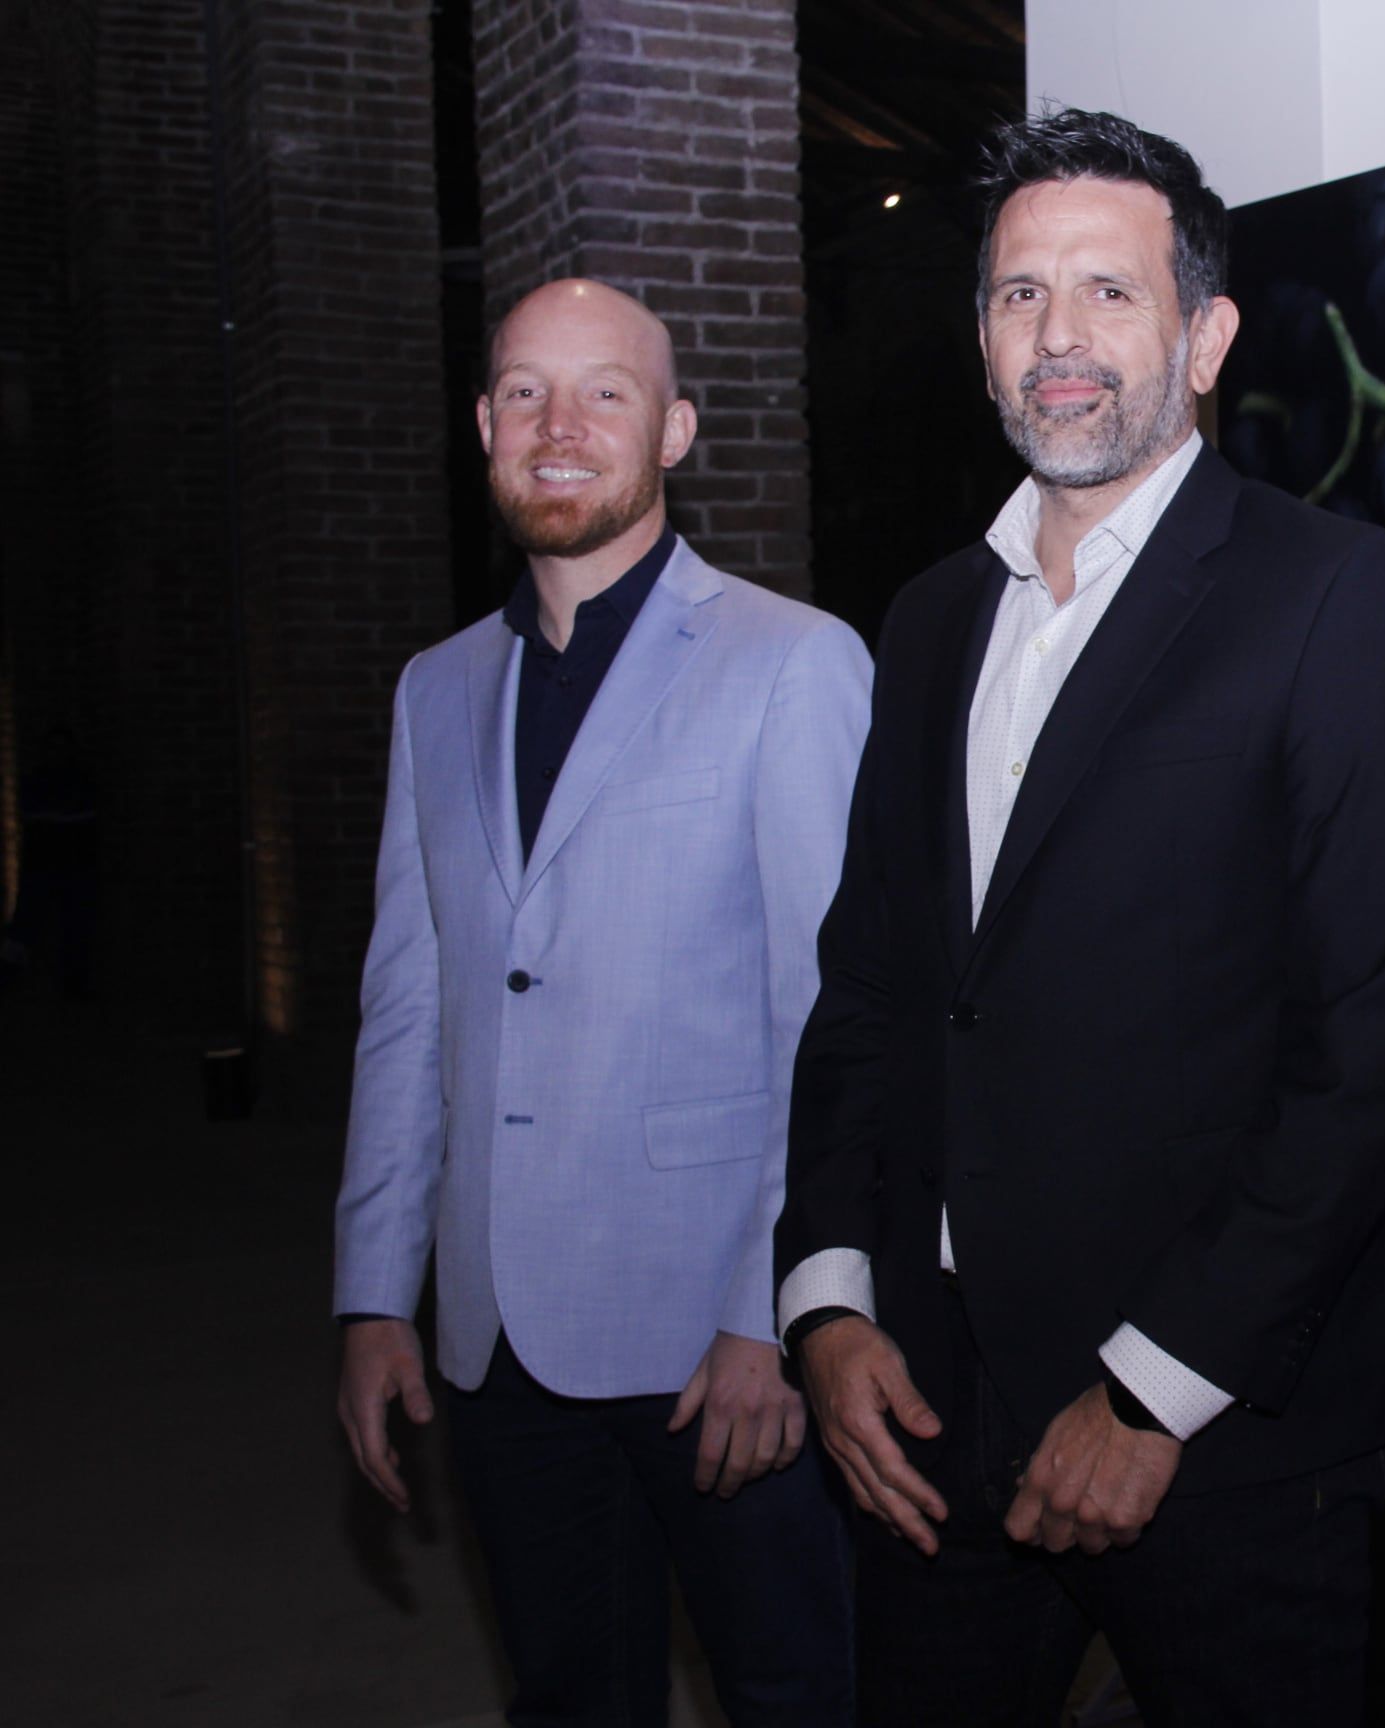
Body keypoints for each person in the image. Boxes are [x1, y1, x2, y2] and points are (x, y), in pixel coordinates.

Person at [774, 109, 1385, 1726]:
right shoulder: (934, 615)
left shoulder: (1333, 599)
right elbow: (872, 988)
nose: (1061, 338)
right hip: (930, 1414)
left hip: (1227, 1440)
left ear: (1206, 335)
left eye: (1109, 291)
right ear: (982, 340)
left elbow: (1379, 1047)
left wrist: (1151, 1391)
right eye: (1023, 296)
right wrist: (826, 1296)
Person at [333, 278, 870, 1725]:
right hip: (496, 1331)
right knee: (569, 1697)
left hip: (713, 1339)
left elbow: (824, 1018)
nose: (558, 427)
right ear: (485, 424)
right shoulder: (435, 691)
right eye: (523, 392)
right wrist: (377, 1293)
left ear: (675, 428)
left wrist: (779, 1312)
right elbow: (410, 1005)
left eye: (605, 393)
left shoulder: (791, 663)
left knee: (789, 1691)